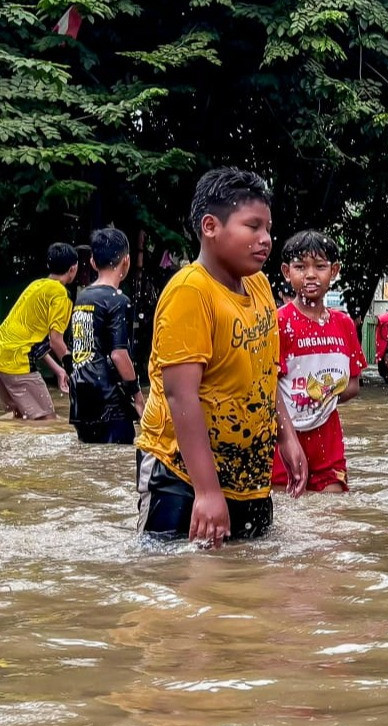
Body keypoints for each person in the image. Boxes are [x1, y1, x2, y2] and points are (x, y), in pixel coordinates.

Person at [134, 167, 307, 547]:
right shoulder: (190, 292)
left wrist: (287, 436)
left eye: (268, 229)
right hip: (181, 477)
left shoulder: (259, 284)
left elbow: (265, 373)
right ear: (210, 227)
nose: (266, 240)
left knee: (245, 588)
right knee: (174, 586)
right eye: (253, 227)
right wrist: (207, 492)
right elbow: (182, 396)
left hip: (248, 477)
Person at [271, 230, 366, 494]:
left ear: (334, 271)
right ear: (286, 272)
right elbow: (266, 387)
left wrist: (325, 393)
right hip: (283, 434)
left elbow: (354, 384)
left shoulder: (343, 324)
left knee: (332, 515)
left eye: (320, 266)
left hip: (328, 436)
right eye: (300, 267)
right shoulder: (278, 324)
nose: (311, 275)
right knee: (286, 507)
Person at [69, 228, 144, 443]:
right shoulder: (118, 301)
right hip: (108, 402)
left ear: (93, 262)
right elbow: (119, 355)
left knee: (90, 465)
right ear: (126, 261)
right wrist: (138, 397)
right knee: (115, 465)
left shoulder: (82, 297)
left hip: (80, 400)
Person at [0, 242, 78, 420]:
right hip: (17, 360)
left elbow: (31, 340)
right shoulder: (61, 295)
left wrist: (58, 370)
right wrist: (74, 372)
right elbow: (56, 341)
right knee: (48, 422)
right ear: (73, 268)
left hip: (3, 354)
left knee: (19, 417)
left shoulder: (37, 285)